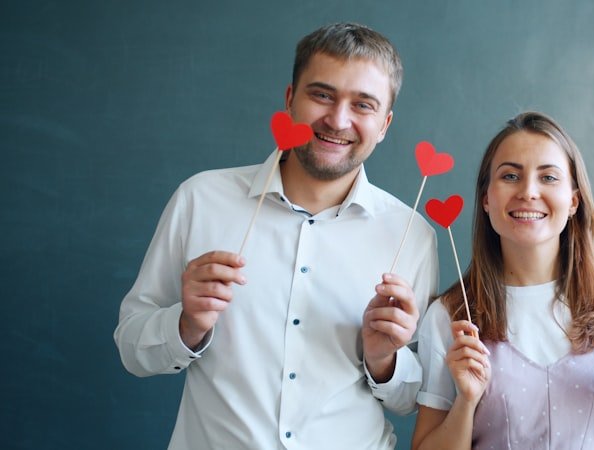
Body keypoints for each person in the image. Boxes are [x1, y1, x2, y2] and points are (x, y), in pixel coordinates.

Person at [114, 23, 438, 450]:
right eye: (321, 94)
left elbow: (414, 398)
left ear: (384, 124)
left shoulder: (411, 235)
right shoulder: (201, 200)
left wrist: (384, 360)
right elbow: (132, 350)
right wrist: (186, 325)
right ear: (290, 100)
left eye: (363, 105)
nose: (338, 120)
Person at [411, 112, 594, 449]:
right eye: (511, 175)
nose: (528, 192)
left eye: (548, 177)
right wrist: (465, 402)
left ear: (573, 201)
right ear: (486, 198)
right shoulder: (450, 316)